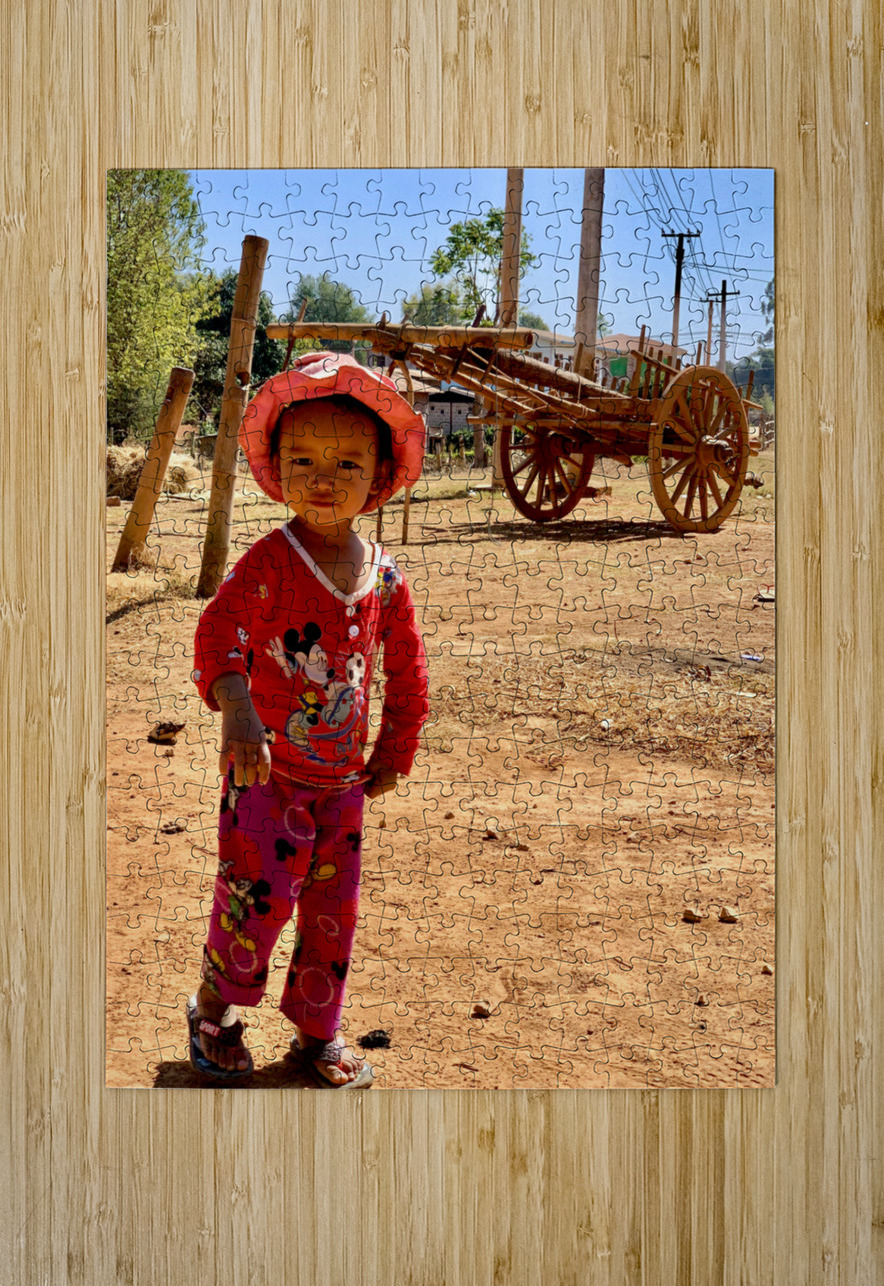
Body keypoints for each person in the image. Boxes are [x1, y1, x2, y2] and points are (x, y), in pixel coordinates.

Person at [187, 351, 429, 1086]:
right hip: (265, 777)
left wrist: (396, 747)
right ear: (277, 469)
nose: (323, 478)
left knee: (332, 912)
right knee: (254, 901)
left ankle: (317, 1032)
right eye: (304, 460)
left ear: (380, 475)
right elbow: (218, 633)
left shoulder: (384, 576)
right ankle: (213, 1010)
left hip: (343, 787)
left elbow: (407, 668)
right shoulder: (268, 563)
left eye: (347, 463)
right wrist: (237, 710)